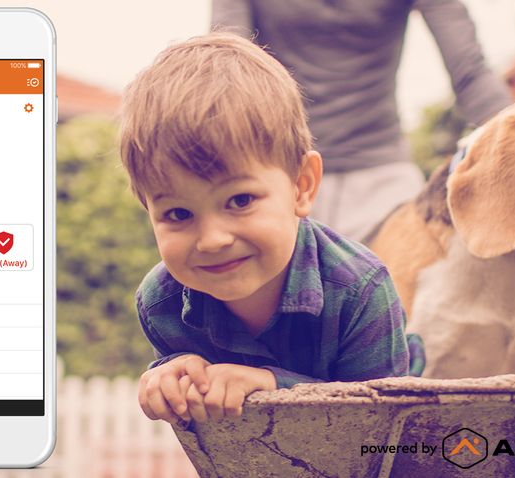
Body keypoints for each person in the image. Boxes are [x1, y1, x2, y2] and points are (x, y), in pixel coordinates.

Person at [120, 33, 421, 425]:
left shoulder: (361, 290)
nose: (212, 240)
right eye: (178, 214)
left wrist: (272, 386)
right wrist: (172, 372)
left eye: (240, 201)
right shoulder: (161, 304)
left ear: (302, 185)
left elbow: (380, 428)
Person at [212, 0, 513, 241]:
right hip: (283, 176)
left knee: (397, 306)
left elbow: (470, 72)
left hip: (384, 184)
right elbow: (227, 66)